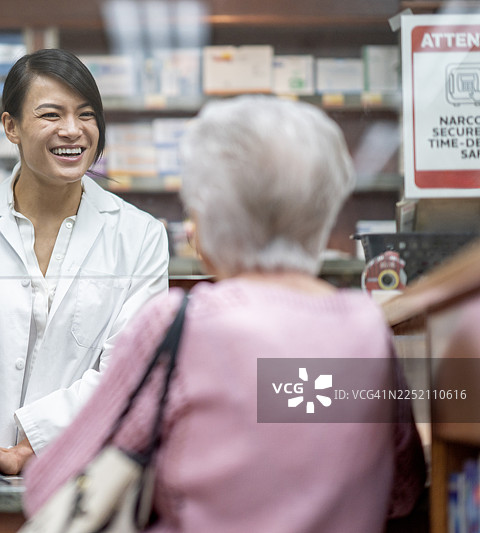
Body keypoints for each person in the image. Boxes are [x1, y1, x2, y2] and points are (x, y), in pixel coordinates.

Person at [22, 96, 426, 531]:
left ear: (205, 220)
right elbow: (403, 491)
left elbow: (52, 488)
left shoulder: (180, 326)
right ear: (325, 212)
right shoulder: (367, 327)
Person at [0, 48, 169, 474]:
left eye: (86, 115)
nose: (73, 131)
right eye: (51, 115)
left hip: (81, 474)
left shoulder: (140, 235)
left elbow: (129, 368)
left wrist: (29, 445)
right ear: (11, 127)